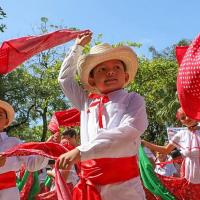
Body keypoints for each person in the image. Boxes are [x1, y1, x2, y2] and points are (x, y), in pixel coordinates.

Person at [57, 31, 148, 200]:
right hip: (90, 185)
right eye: (103, 69)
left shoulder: (133, 99)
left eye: (117, 68)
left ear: (126, 76)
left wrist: (81, 151)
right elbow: (65, 80)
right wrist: (77, 48)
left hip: (125, 187)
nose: (110, 72)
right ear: (92, 80)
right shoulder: (86, 103)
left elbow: (128, 131)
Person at [142, 107, 200, 199]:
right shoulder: (181, 134)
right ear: (180, 121)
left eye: (188, 115)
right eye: (183, 118)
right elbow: (165, 150)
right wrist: (145, 143)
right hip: (190, 176)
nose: (187, 119)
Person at [0, 100, 49, 200]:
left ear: (6, 121)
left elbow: (32, 164)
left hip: (8, 194)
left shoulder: (14, 143)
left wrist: (46, 148)